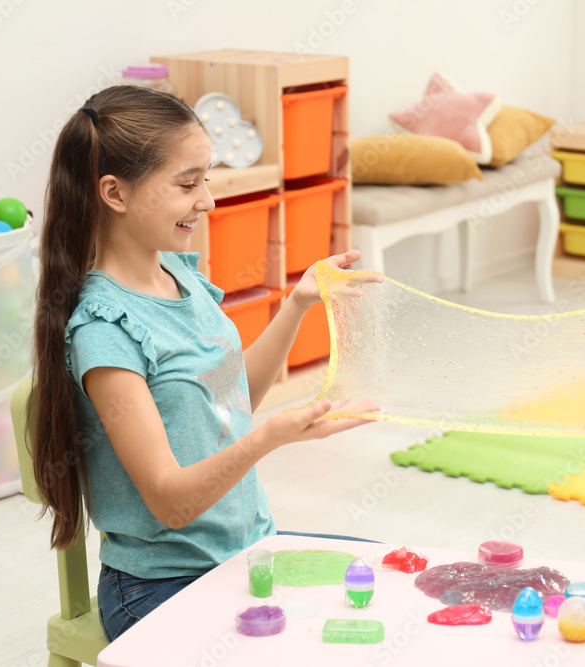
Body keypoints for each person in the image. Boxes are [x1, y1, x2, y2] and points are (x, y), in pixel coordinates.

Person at [30, 85, 380, 640]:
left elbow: (229, 398)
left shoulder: (182, 278)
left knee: (392, 579)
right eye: (188, 183)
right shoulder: (104, 331)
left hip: (247, 554)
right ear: (115, 194)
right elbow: (169, 502)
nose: (209, 200)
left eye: (207, 178)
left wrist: (297, 303)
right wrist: (268, 439)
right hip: (160, 587)